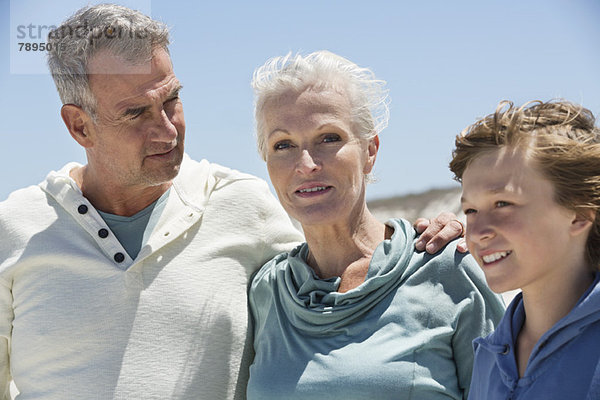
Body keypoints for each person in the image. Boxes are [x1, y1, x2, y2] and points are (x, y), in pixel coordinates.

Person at [0, 5, 463, 399]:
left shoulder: (244, 204)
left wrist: (425, 235)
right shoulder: (14, 227)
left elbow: (345, 257)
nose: (167, 129)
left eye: (172, 100)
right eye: (137, 113)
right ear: (79, 126)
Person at [246, 51, 505, 400]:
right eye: (283, 145)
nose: (306, 164)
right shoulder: (267, 291)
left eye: (329, 138)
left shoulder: (446, 268)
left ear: (370, 151)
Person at [449, 100, 600, 399]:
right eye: (471, 210)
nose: (478, 233)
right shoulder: (487, 357)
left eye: (502, 204)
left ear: (580, 213)